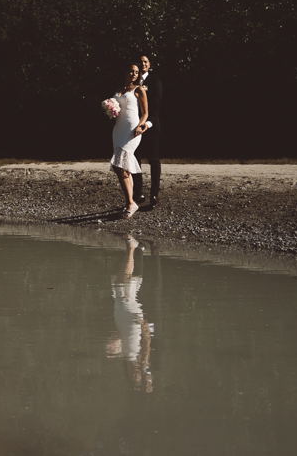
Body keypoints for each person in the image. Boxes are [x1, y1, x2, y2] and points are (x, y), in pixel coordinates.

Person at [106, 234, 154, 392]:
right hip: (134, 322)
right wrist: (144, 327)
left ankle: (136, 249)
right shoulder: (142, 361)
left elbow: (121, 337)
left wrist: (115, 336)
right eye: (137, 376)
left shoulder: (124, 358)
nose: (134, 374)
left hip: (122, 319)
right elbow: (146, 344)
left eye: (133, 377)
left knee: (125, 287)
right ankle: (131, 247)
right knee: (122, 287)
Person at [110, 63, 149, 219]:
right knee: (122, 167)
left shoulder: (139, 89)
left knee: (120, 165)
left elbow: (145, 113)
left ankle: (130, 204)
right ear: (125, 72)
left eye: (137, 72)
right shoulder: (119, 90)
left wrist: (141, 126)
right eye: (131, 71)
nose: (134, 74)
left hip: (132, 130)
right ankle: (131, 202)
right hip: (118, 130)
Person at [137, 55, 163, 210]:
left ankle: (154, 195)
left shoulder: (155, 83)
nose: (143, 64)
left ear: (149, 65)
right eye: (140, 62)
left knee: (153, 160)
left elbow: (156, 106)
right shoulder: (132, 84)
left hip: (151, 126)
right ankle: (138, 192)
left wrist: (147, 123)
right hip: (134, 128)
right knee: (135, 158)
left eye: (145, 62)